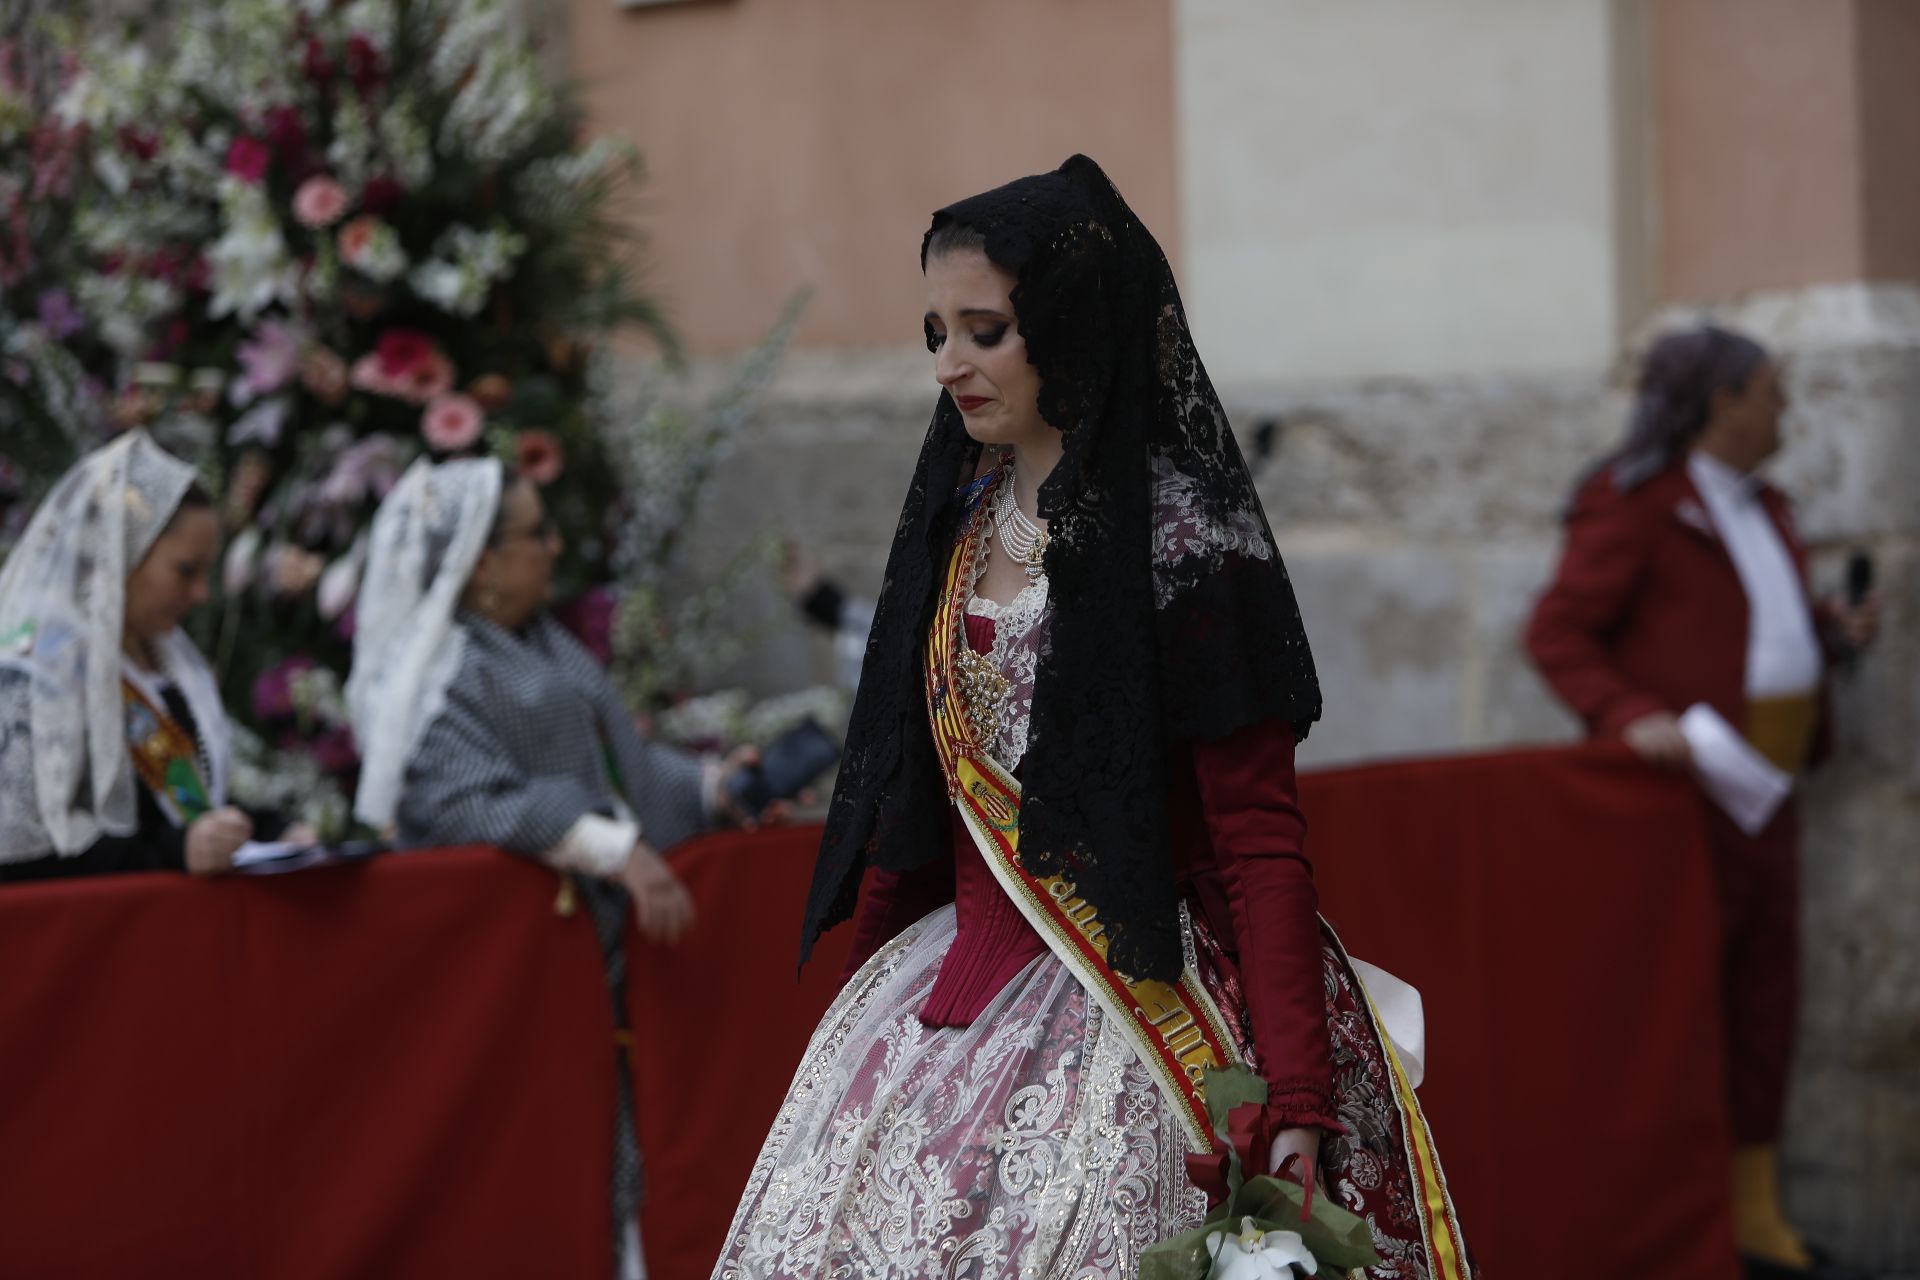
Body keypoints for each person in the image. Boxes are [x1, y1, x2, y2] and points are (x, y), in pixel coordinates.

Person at [714, 156, 1471, 1279]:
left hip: (1144, 1020)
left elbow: (1258, 841)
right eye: (936, 330)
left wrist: (1297, 1097)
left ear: (1068, 327)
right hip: (947, 1003)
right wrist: (859, 1009)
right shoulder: (960, 527)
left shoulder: (1187, 546)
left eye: (984, 330)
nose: (948, 364)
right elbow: (919, 804)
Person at [1527, 326, 1879, 1279]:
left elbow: (1754, 622)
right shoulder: (1636, 500)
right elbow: (1558, 632)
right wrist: (1627, 712)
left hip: (1769, 792)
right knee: (1679, 1009)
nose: (1784, 409)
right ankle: (1670, 1225)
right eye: (1771, 390)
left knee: (1765, 1005)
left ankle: (1755, 1212)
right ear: (1721, 401)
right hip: (1679, 804)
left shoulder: (1768, 506)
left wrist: (1826, 635)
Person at [347, 456, 753, 1280]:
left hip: (589, 968)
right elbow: (465, 800)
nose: (556, 545)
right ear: (480, 563)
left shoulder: (537, 635)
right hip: (502, 989)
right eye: (537, 534)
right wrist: (614, 850)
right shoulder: (432, 677)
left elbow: (614, 766)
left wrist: (715, 788)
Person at [0, 430, 300, 880]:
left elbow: (184, 801)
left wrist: (273, 831)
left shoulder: (169, 664)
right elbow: (29, 850)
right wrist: (173, 853)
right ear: (119, 554)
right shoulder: (38, 675)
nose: (200, 593)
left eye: (206, 573)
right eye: (185, 570)